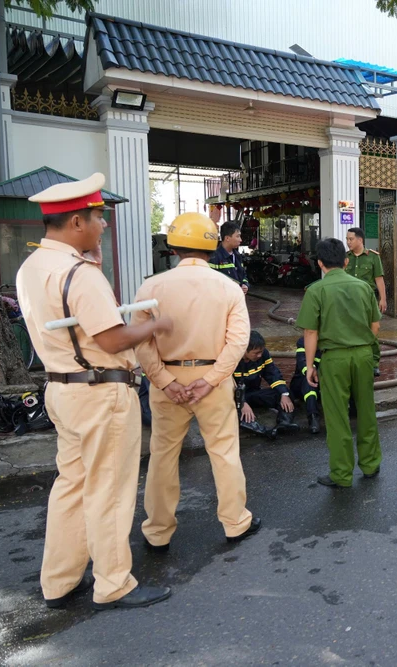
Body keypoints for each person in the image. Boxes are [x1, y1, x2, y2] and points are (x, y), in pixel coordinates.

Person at [17, 172, 172, 611]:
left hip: (62, 390)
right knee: (109, 488)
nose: (104, 224)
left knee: (71, 485)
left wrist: (95, 266)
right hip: (101, 393)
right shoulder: (79, 275)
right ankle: (113, 583)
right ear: (76, 223)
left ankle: (60, 582)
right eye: (98, 218)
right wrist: (153, 325)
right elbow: (112, 340)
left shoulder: (32, 267)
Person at [133, 212, 261, 552]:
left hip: (168, 382)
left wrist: (163, 380)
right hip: (213, 382)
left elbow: (141, 342)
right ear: (212, 245)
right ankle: (235, 523)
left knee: (163, 455)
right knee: (224, 452)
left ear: (172, 246)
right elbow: (237, 341)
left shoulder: (151, 287)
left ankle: (157, 532)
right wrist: (210, 380)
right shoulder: (229, 288)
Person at [296, 238, 382, 488]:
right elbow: (375, 325)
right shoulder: (364, 287)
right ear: (346, 262)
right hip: (363, 355)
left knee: (337, 417)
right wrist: (369, 351)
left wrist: (310, 366)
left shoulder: (316, 290)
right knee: (366, 411)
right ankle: (370, 464)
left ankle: (342, 474)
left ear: (320, 263)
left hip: (334, 358)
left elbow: (310, 333)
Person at [234, 330, 297, 433]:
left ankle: (284, 423)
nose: (259, 355)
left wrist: (283, 393)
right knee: (233, 412)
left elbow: (272, 373)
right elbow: (228, 387)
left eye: (261, 352)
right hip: (235, 398)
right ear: (245, 350)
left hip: (254, 394)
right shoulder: (232, 359)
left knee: (286, 394)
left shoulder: (264, 355)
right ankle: (262, 432)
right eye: (256, 353)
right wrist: (242, 402)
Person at [344, 227, 385, 376]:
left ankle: (374, 363)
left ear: (360, 240)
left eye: (351, 239)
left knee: (372, 330)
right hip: (348, 300)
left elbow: (379, 279)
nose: (348, 242)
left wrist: (383, 299)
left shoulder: (373, 257)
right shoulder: (345, 257)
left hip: (368, 300)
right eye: (347, 239)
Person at [291, 335, 322, 434]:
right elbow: (302, 361)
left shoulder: (330, 342)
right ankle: (313, 416)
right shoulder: (303, 341)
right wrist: (311, 371)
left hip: (321, 383)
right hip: (300, 383)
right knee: (309, 381)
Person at [209, 220, 249, 294]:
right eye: (237, 236)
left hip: (237, 299)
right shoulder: (214, 257)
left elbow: (243, 275)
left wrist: (245, 284)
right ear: (227, 238)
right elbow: (211, 282)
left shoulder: (237, 256)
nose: (240, 240)